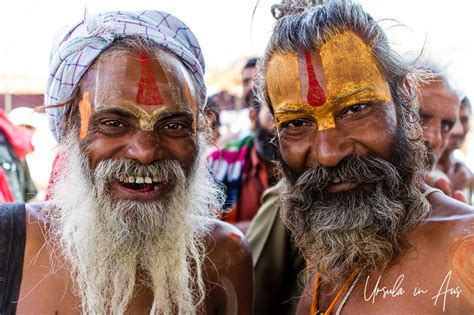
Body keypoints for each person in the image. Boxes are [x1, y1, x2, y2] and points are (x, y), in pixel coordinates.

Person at [0, 10, 253, 314]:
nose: (145, 151)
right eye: (114, 123)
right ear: (69, 129)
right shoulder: (10, 238)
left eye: (173, 126)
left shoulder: (225, 255)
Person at [256, 1, 474, 313]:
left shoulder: (465, 252)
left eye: (355, 109)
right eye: (297, 123)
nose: (328, 154)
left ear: (403, 98)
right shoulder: (329, 242)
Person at [209, 59, 278, 232]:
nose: (282, 127)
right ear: (253, 118)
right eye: (274, 116)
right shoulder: (218, 164)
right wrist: (260, 228)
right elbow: (202, 232)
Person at [437, 96, 473, 203]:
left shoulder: (462, 169)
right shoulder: (417, 171)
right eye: (450, 120)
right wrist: (452, 188)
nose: (458, 130)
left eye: (464, 120)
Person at [0, 108, 37, 202]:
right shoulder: (4, 150)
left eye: (30, 128)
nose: (28, 131)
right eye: (23, 126)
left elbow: (30, 191)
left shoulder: (19, 154)